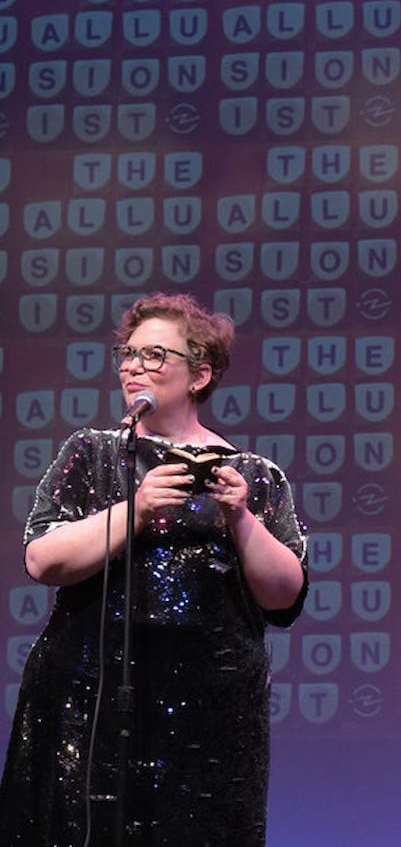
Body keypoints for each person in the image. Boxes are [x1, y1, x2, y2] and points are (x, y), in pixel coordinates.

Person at [0, 293, 309, 846]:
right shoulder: (94, 453)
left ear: (200, 374)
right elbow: (41, 558)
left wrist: (239, 518)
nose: (134, 366)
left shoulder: (255, 476)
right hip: (89, 699)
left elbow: (284, 595)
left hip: (210, 714)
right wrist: (136, 510)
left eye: (154, 355)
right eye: (128, 354)